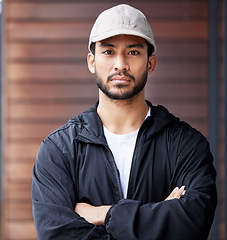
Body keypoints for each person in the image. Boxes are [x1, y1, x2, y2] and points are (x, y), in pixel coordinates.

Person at [32, 4, 217, 240]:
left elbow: (192, 225)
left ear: (151, 63)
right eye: (109, 52)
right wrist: (157, 216)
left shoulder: (186, 145)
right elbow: (56, 235)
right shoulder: (59, 150)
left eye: (133, 52)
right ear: (92, 62)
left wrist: (106, 215)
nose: (120, 64)